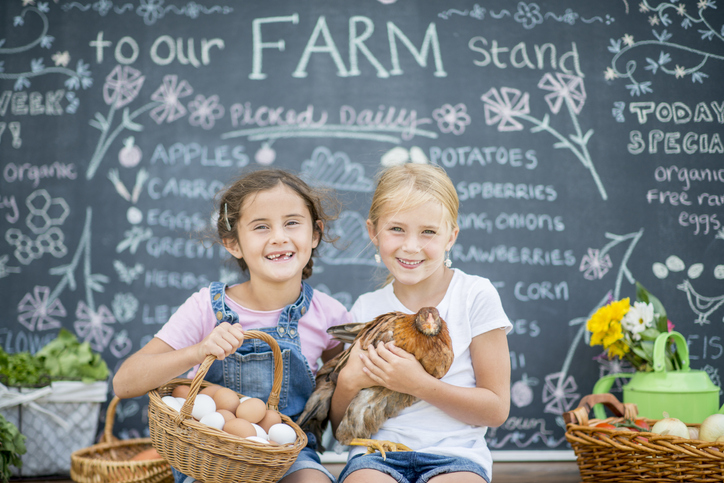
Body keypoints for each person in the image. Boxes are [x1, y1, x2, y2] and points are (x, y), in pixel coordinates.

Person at [113, 168, 351, 483]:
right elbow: (124, 383)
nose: (279, 236)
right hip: (208, 455)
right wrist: (197, 351)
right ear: (233, 243)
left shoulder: (330, 316)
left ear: (315, 234)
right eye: (261, 226)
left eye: (292, 222)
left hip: (288, 455)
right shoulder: (205, 308)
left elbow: (335, 405)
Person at [331, 163, 512, 483]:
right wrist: (347, 382)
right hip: (377, 455)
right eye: (396, 229)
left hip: (457, 455)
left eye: (428, 231)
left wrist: (418, 384)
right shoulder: (366, 308)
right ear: (373, 232)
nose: (411, 246)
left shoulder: (474, 295)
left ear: (451, 236)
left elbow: (496, 410)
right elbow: (339, 427)